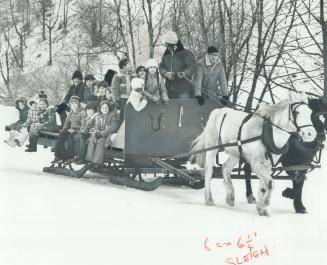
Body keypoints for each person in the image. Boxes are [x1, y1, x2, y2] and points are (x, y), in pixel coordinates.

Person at [159, 31, 197, 99]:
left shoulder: (186, 52)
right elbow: (161, 66)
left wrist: (184, 73)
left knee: (185, 107)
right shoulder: (166, 55)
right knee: (170, 109)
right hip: (169, 88)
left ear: (174, 45)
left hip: (183, 88)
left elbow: (192, 67)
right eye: (166, 45)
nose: (167, 47)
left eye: (168, 45)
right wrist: (165, 73)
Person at [52, 96, 86, 164]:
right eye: (72, 103)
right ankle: (58, 156)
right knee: (61, 135)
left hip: (79, 130)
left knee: (70, 137)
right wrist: (63, 129)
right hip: (72, 129)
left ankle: (70, 157)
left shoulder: (82, 112)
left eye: (75, 103)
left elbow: (83, 125)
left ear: (78, 104)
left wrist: (79, 131)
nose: (73, 105)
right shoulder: (71, 112)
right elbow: (67, 123)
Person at [85, 100, 119, 165]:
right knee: (91, 139)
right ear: (100, 109)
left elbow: (113, 127)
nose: (104, 109)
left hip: (108, 135)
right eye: (103, 108)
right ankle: (89, 160)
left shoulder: (113, 116)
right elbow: (97, 127)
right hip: (100, 134)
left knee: (101, 141)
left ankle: (96, 162)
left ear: (109, 108)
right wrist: (97, 132)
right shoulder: (99, 116)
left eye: (106, 107)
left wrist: (102, 133)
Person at [111, 58, 134, 124]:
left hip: (130, 100)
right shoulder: (117, 76)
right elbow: (114, 89)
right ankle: (118, 131)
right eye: (129, 64)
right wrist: (117, 100)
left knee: (128, 118)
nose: (131, 65)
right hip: (122, 100)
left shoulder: (131, 75)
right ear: (124, 66)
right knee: (120, 118)